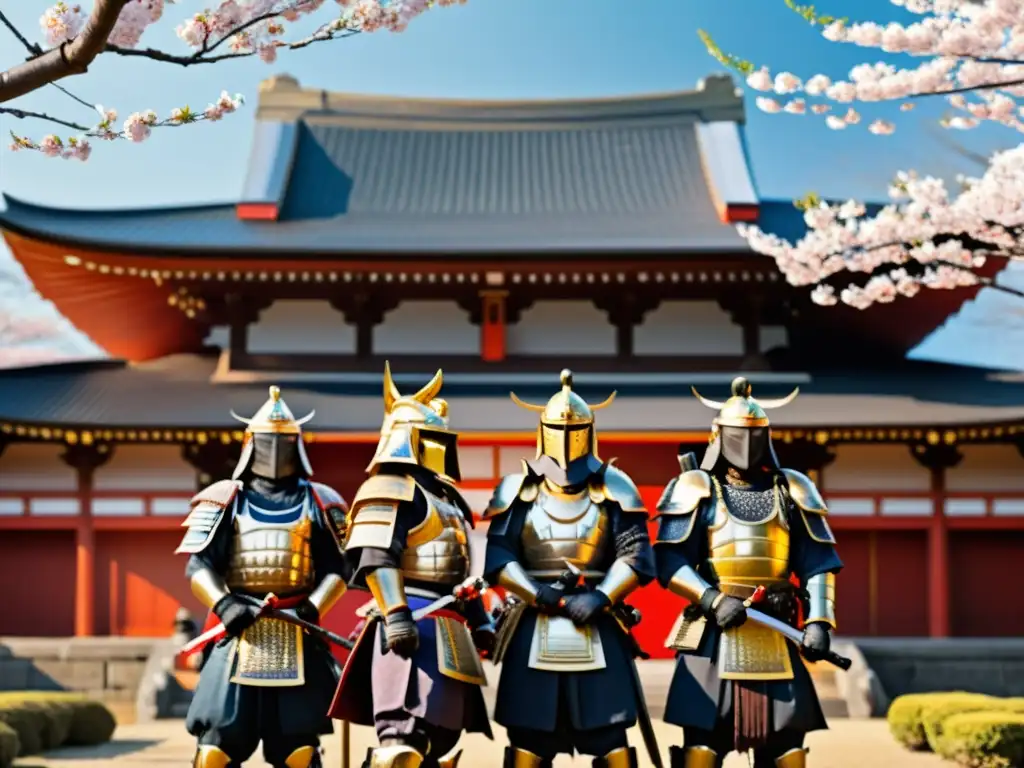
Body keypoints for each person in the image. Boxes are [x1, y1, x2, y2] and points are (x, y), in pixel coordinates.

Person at [654, 377, 842, 768]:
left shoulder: (792, 488)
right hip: (712, 633)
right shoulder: (694, 487)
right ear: (717, 435)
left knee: (788, 750)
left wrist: (820, 620)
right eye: (737, 433)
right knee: (701, 748)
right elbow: (670, 561)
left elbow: (818, 562)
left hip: (777, 630)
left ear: (766, 436)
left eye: (754, 433)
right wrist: (711, 598)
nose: (745, 442)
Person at [482, 369, 656, 768]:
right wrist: (538, 593)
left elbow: (635, 553)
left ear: (589, 430)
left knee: (612, 736)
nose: (565, 438)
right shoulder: (517, 489)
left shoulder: (616, 486)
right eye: (557, 428)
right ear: (541, 430)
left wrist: (602, 595)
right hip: (531, 618)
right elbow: (499, 556)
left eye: (575, 428)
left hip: (600, 619)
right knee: (527, 737)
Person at [328, 364, 494, 768]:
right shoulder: (387, 487)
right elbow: (376, 557)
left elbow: (461, 573)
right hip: (410, 621)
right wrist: (396, 612)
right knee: (402, 736)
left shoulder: (448, 499)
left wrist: (480, 618)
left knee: (441, 738)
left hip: (450, 629)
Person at [175, 386, 350, 768]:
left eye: (282, 441)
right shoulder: (224, 499)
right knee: (214, 753)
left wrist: (313, 606)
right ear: (250, 444)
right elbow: (198, 565)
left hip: (297, 631)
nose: (274, 451)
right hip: (237, 631)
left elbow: (339, 568)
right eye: (266, 441)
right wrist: (225, 604)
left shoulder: (321, 500)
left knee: (299, 755)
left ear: (297, 444)